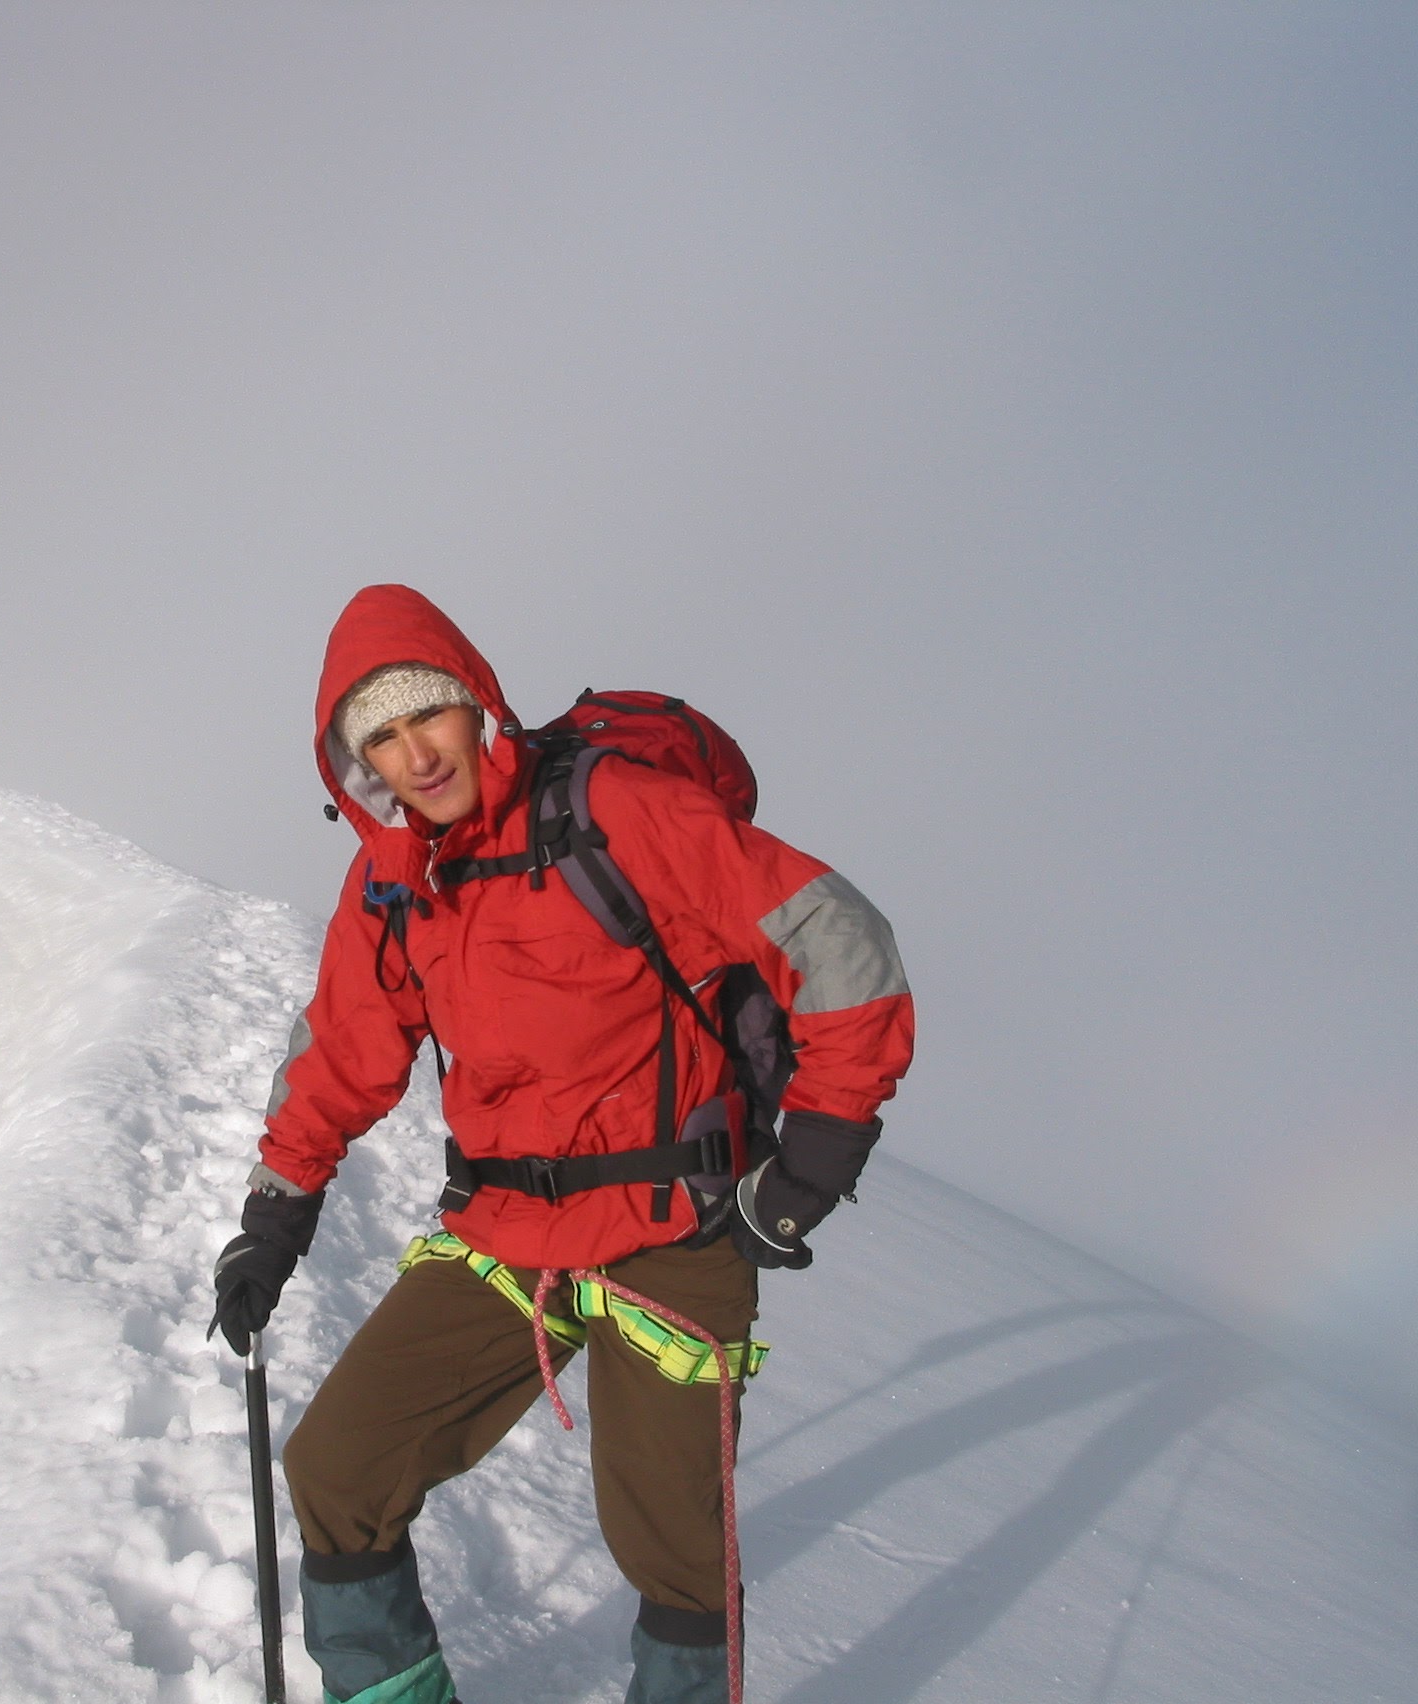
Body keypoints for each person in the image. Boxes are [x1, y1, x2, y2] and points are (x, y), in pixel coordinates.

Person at [212, 585, 914, 1704]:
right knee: (337, 1467)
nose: (414, 755)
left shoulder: (616, 812)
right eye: (380, 739)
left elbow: (841, 940)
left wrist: (811, 1167)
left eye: (427, 715)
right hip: (504, 1234)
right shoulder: (392, 878)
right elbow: (341, 1049)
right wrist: (273, 1218)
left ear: (477, 704)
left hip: (674, 1234)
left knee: (674, 1557)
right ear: (357, 766)